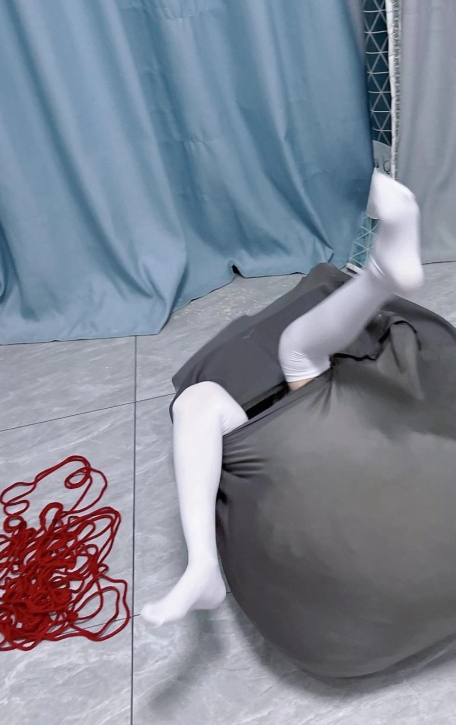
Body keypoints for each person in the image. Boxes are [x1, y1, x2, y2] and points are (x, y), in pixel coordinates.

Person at [141, 170, 423, 627]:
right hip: (305, 468)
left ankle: (381, 275)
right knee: (240, 379)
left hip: (301, 469)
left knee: (217, 390)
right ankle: (203, 568)